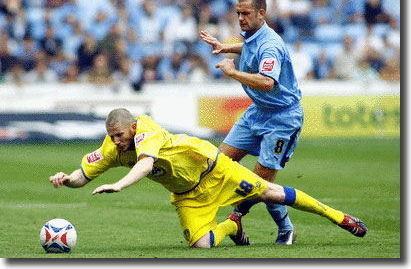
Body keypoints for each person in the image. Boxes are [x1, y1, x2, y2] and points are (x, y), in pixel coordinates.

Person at [49, 108, 367, 248]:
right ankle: (233, 224)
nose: (117, 142)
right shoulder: (112, 147)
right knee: (201, 245)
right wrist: (67, 179)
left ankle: (339, 218)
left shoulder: (147, 130)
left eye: (119, 135)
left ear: (132, 128)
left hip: (214, 169)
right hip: (189, 194)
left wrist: (119, 184)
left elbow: (145, 165)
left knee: (270, 192)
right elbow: (83, 175)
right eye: (112, 137)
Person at [199, 0, 303, 245]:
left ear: (261, 13)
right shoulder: (255, 36)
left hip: (282, 118)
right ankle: (237, 214)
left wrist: (233, 72)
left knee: (260, 184)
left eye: (245, 14)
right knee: (219, 162)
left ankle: (284, 228)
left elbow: (267, 82)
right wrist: (225, 47)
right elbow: (248, 47)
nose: (240, 18)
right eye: (237, 13)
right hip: (257, 112)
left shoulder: (271, 45)